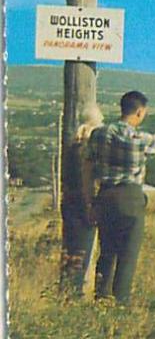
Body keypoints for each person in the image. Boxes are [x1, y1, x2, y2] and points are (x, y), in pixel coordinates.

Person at [87, 90, 155, 303]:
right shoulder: (137, 138)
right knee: (127, 256)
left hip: (105, 196)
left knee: (107, 252)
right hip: (130, 199)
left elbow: (88, 168)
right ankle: (121, 303)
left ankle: (100, 299)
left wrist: (91, 201)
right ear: (139, 112)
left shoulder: (98, 134)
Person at [59, 103, 104, 297]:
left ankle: (67, 290)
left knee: (70, 251)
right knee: (81, 252)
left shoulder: (72, 146)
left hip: (68, 202)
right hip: (83, 205)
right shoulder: (88, 152)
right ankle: (74, 293)